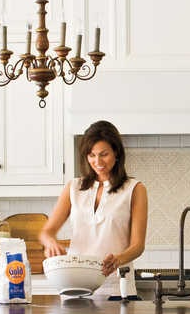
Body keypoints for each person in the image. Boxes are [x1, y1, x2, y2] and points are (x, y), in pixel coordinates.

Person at [40, 120, 148, 282]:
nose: (97, 162)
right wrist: (50, 243)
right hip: (75, 282)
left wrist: (118, 259)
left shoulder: (135, 189)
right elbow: (46, 232)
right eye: (92, 155)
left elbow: (137, 246)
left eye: (104, 154)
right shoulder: (74, 187)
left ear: (116, 153)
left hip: (115, 285)